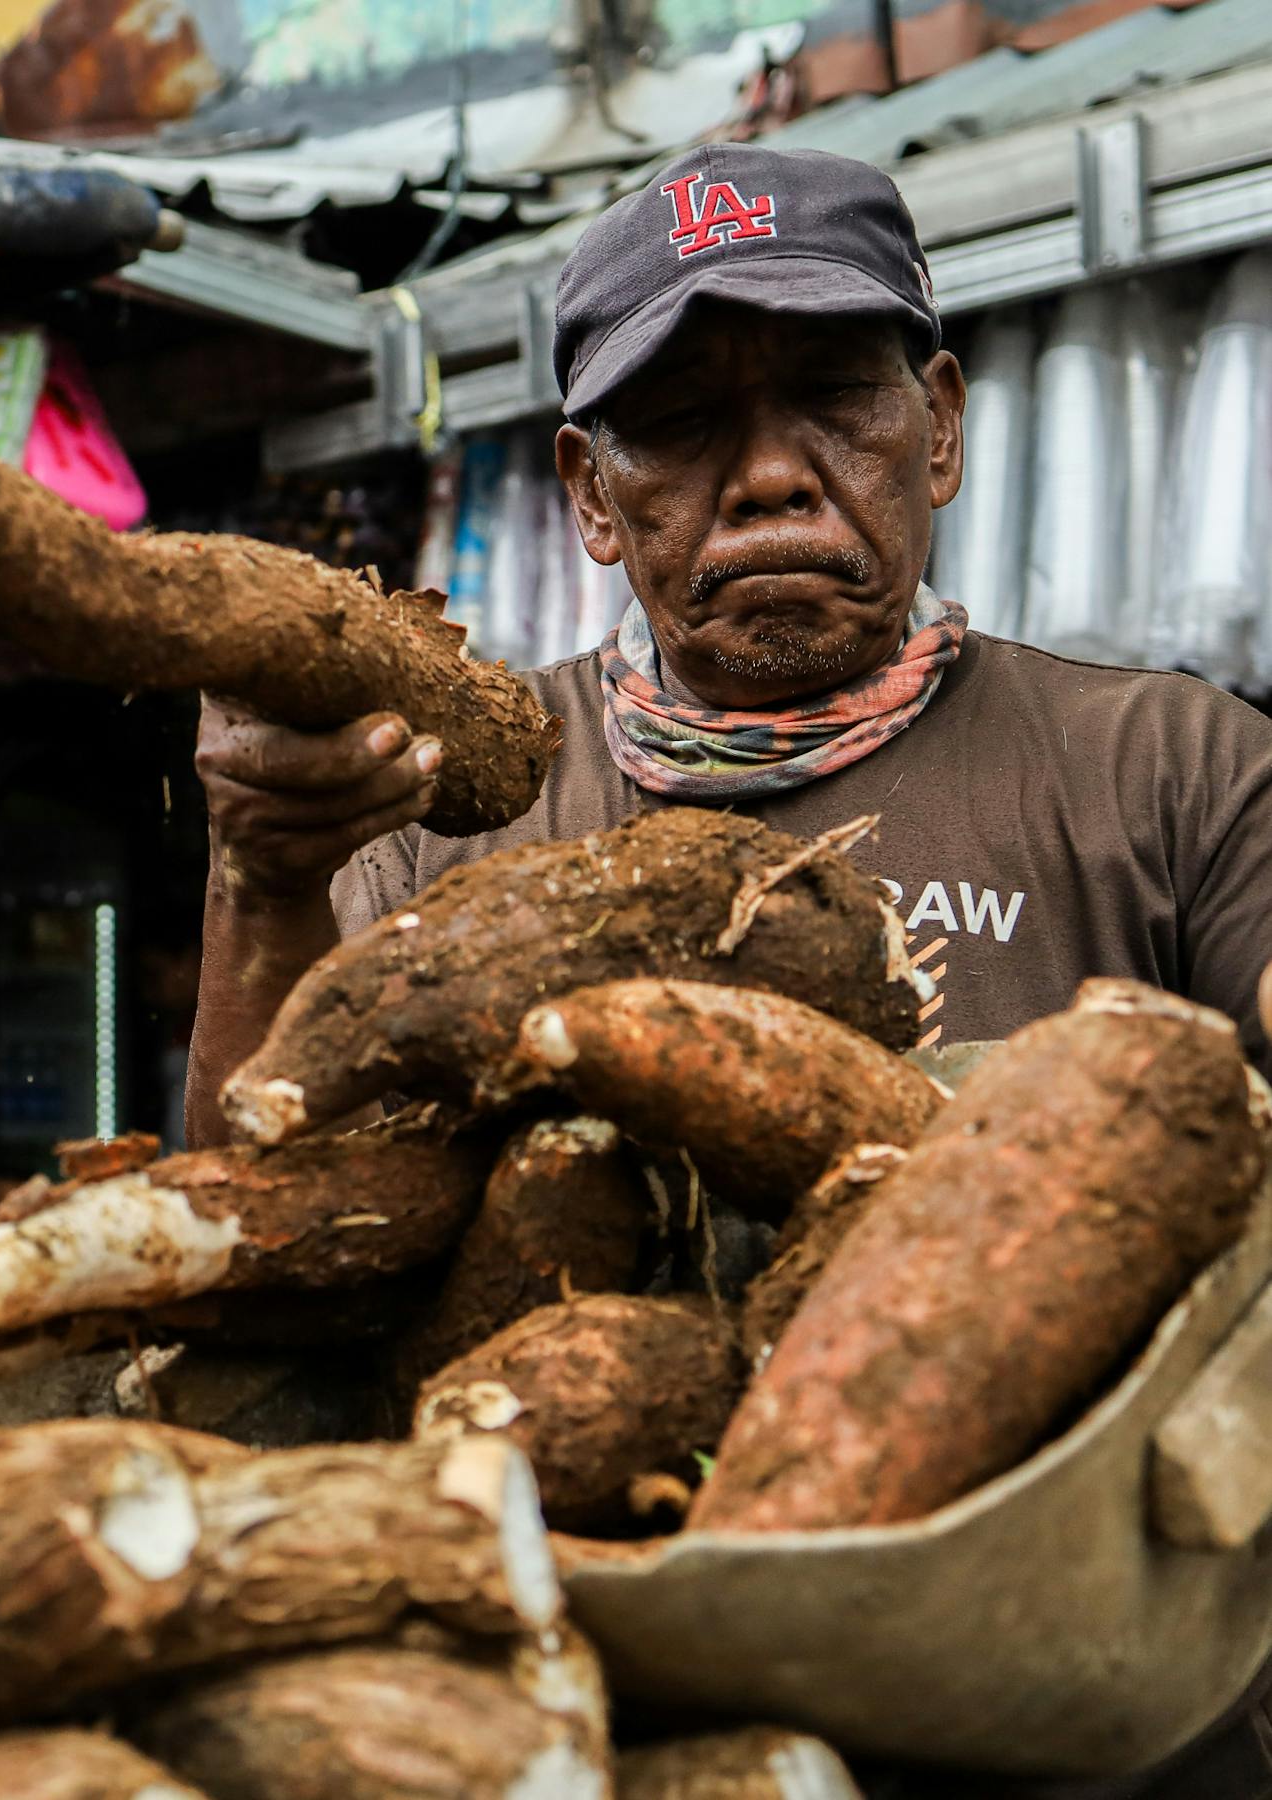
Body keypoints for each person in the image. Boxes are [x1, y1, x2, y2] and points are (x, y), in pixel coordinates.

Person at [189, 142, 1272, 1799]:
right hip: (574, 1729)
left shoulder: (1173, 771)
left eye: (836, 395)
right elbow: (255, 1236)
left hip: (1084, 1732)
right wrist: (262, 876)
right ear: (590, 497)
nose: (771, 474)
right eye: (685, 424)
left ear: (946, 428)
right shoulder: (442, 799)